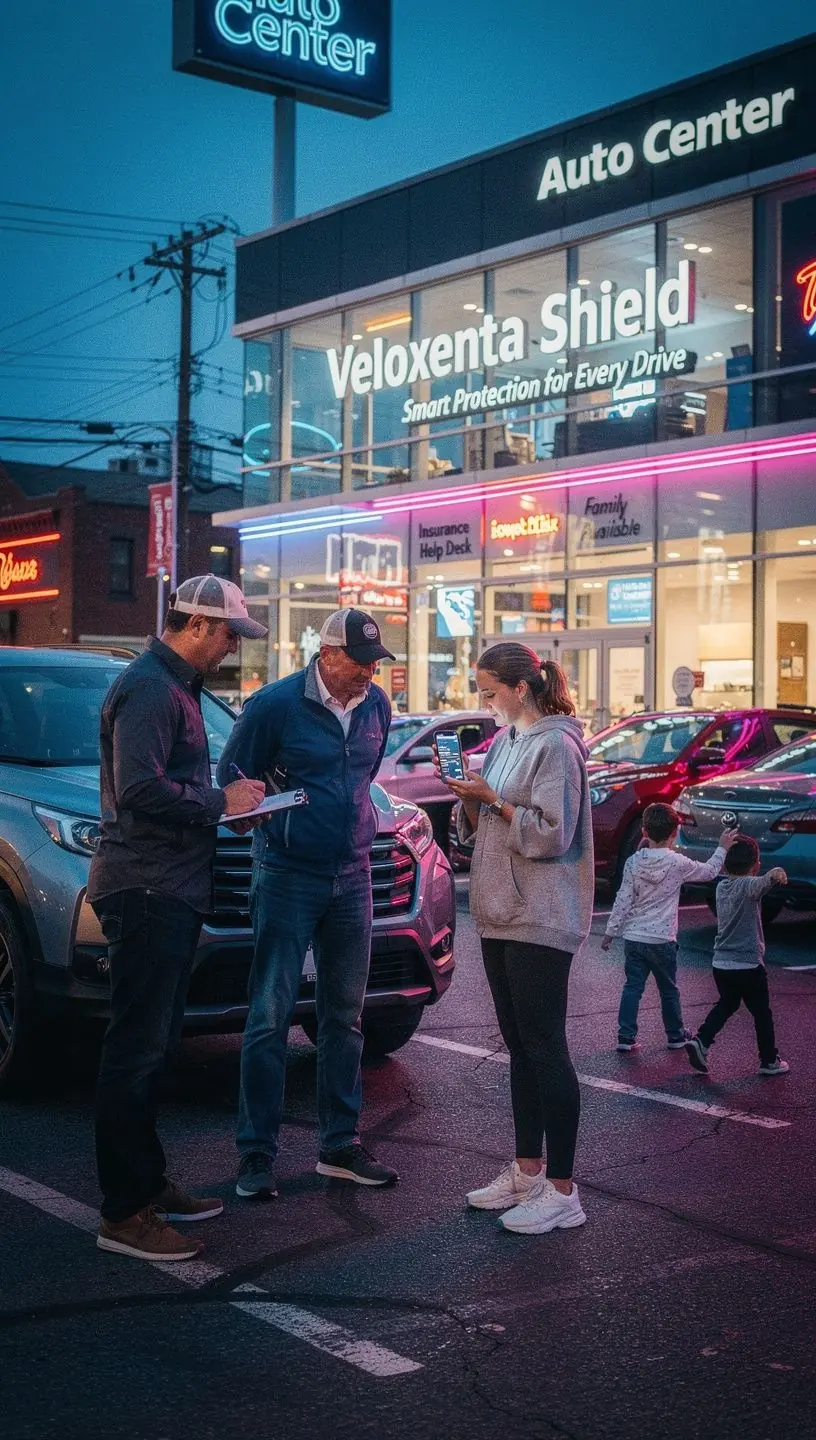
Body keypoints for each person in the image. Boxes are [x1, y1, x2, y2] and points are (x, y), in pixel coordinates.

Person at [88, 576, 268, 1262]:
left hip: (169, 886)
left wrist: (227, 804)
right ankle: (124, 1213)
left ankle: (146, 1184)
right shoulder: (150, 688)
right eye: (227, 634)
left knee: (155, 1046)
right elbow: (139, 790)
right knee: (135, 1050)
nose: (230, 649)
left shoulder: (173, 688)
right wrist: (222, 802)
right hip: (146, 887)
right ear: (195, 624)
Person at [217, 608, 399, 1199]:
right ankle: (255, 1157)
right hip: (288, 874)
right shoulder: (274, 705)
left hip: (352, 875)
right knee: (269, 1016)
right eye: (361, 662)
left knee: (344, 1018)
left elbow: (362, 776)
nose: (370, 674)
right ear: (326, 655)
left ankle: (339, 1146)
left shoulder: (376, 707)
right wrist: (257, 814)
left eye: (376, 662)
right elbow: (232, 775)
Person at [440, 644, 594, 1236]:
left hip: (541, 912)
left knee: (545, 1045)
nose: (484, 703)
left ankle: (563, 1190)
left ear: (521, 688)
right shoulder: (506, 743)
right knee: (520, 1046)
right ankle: (528, 1172)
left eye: (489, 692)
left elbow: (553, 834)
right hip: (499, 910)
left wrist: (494, 802)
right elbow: (488, 824)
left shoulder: (557, 746)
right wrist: (471, 803)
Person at [602, 804, 739, 1052]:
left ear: (644, 831)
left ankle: (626, 1035)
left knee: (633, 987)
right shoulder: (677, 863)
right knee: (668, 990)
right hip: (663, 939)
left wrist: (611, 932)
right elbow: (708, 872)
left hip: (634, 937)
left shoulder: (633, 863)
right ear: (675, 832)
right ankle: (675, 1034)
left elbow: (623, 899)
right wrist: (722, 848)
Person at [685, 838, 790, 1077]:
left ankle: (701, 1040)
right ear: (755, 865)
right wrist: (774, 874)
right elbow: (760, 885)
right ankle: (769, 1059)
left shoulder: (722, 888)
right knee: (761, 1012)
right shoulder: (749, 886)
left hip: (721, 963)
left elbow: (755, 884)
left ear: (724, 866)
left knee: (727, 1003)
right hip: (748, 964)